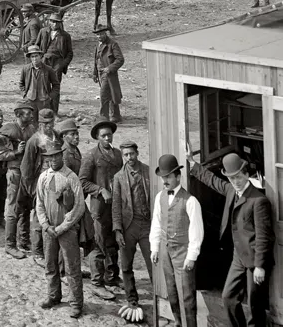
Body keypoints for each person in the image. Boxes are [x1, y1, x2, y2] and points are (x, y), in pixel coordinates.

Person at [189, 153, 275, 327]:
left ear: (245, 174)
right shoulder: (230, 190)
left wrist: (259, 266)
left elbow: (264, 236)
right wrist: (193, 165)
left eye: (237, 177)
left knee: (254, 305)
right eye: (231, 178)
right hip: (238, 256)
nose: (235, 181)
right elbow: (213, 181)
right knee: (228, 297)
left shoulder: (258, 201)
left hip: (254, 259)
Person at [150, 153, 204, 327]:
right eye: (162, 177)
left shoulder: (191, 201)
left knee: (186, 295)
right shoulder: (160, 197)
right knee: (172, 291)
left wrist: (191, 256)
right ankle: (178, 322)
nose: (165, 181)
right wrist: (155, 248)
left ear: (178, 176)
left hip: (183, 253)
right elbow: (157, 223)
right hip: (166, 251)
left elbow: (196, 231)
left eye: (168, 177)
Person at [35, 145, 86, 315]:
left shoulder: (71, 177)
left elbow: (79, 206)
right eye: (50, 157)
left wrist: (63, 226)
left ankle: (76, 303)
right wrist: (46, 225)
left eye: (57, 156)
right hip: (49, 230)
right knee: (50, 265)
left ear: (61, 156)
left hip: (67, 230)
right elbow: (39, 204)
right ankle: (53, 295)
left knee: (72, 267)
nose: (54, 160)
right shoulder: (43, 177)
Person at [80, 119, 124, 290]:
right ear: (97, 138)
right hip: (99, 207)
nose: (107, 138)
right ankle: (97, 281)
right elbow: (82, 181)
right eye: (103, 136)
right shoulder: (91, 156)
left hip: (116, 206)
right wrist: (100, 190)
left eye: (109, 135)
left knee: (114, 242)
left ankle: (112, 276)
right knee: (98, 243)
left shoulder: (119, 155)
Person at [112, 141, 153, 315]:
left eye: (132, 154)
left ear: (137, 153)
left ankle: (159, 298)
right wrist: (118, 229)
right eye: (126, 155)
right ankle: (132, 300)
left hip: (146, 225)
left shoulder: (148, 171)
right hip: (128, 226)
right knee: (126, 266)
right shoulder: (119, 177)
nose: (129, 158)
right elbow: (116, 205)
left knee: (153, 263)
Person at [21, 109, 61, 262]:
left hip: (56, 183)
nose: (49, 126)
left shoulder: (57, 137)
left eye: (51, 123)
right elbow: (26, 169)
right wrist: (32, 189)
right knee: (39, 218)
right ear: (40, 124)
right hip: (40, 185)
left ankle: (50, 249)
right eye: (46, 123)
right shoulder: (34, 141)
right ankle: (37, 251)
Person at [0, 101, 36, 258]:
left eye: (31, 113)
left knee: (26, 207)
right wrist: (15, 152)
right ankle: (10, 245)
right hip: (14, 172)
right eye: (27, 113)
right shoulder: (9, 130)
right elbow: (0, 155)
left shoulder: (32, 129)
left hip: (28, 174)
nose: (31, 116)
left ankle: (24, 240)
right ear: (18, 114)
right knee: (13, 209)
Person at [92, 28, 124, 123]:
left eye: (101, 34)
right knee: (110, 94)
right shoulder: (98, 45)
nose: (99, 36)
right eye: (97, 35)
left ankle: (104, 117)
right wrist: (94, 73)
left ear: (105, 33)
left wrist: (109, 68)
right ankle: (116, 116)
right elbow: (96, 61)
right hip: (100, 74)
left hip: (109, 74)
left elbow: (120, 59)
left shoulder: (112, 44)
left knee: (104, 95)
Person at [45, 15, 73, 113]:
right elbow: (38, 46)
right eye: (53, 22)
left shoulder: (65, 36)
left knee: (55, 87)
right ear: (49, 22)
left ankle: (54, 112)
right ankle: (46, 111)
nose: (55, 24)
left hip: (57, 62)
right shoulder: (43, 32)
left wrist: (63, 64)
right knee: (44, 86)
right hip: (45, 62)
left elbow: (70, 53)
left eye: (57, 22)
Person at [19, 43, 56, 119]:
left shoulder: (48, 69)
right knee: (31, 121)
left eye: (36, 56)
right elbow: (21, 84)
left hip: (44, 101)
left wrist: (50, 97)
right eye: (32, 57)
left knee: (44, 120)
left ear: (41, 56)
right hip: (30, 100)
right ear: (30, 58)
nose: (35, 59)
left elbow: (56, 85)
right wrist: (24, 95)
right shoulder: (25, 69)